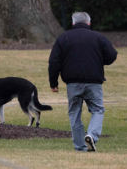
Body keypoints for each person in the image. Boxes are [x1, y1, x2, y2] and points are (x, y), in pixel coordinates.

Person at [48, 12, 117, 152]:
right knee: (97, 110)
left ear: (73, 23)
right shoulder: (98, 37)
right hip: (94, 82)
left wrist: (53, 83)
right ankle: (92, 135)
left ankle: (80, 147)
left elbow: (54, 62)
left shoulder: (64, 38)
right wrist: (99, 61)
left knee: (74, 113)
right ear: (89, 23)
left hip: (72, 83)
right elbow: (112, 55)